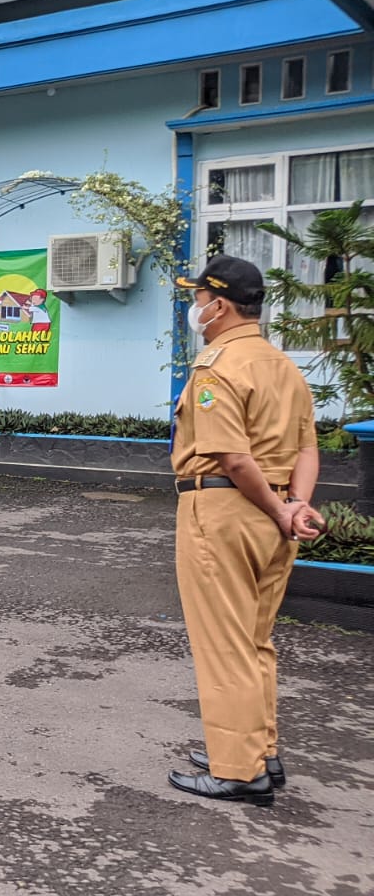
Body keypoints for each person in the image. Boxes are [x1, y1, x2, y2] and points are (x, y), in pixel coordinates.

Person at [166, 256, 322, 805]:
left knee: (224, 643)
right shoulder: (282, 365)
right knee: (254, 639)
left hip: (224, 512)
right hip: (273, 513)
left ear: (220, 306)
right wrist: (294, 505)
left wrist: (281, 510)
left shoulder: (218, 367)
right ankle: (258, 750)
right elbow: (307, 446)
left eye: (199, 300)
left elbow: (232, 457)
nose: (196, 310)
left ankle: (237, 770)